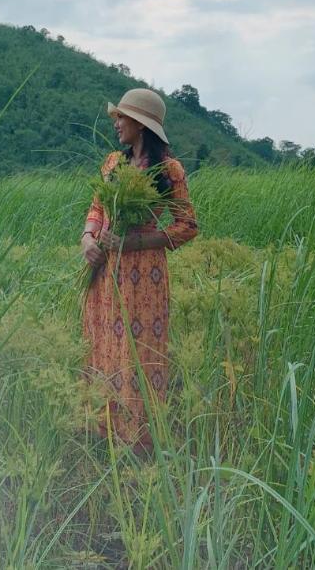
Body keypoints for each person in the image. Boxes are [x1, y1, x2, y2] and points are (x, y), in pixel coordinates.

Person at [80, 88, 198, 452]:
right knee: (103, 346)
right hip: (105, 270)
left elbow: (187, 225)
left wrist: (139, 242)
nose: (116, 123)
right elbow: (97, 208)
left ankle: (140, 444)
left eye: (122, 117)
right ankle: (104, 435)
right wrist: (88, 237)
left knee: (138, 353)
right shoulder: (113, 163)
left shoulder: (168, 170)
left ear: (141, 125)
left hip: (144, 275)